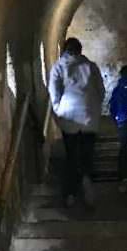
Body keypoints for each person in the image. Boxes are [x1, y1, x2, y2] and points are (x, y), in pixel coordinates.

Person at [48, 37, 105, 207]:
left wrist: (58, 110)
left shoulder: (58, 67)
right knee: (87, 153)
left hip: (69, 116)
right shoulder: (91, 66)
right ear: (80, 50)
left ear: (64, 50)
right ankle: (87, 184)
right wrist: (94, 108)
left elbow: (54, 91)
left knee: (72, 155)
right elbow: (101, 90)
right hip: (89, 117)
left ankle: (71, 193)